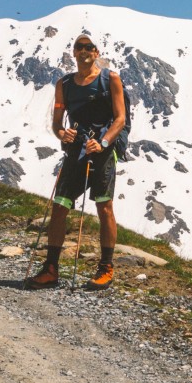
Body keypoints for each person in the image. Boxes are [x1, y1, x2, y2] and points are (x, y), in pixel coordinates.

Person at [26, 34, 126, 291]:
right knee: (59, 207)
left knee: (104, 207)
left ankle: (105, 268)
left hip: (102, 151)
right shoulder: (65, 84)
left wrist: (103, 143)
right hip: (76, 151)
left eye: (89, 47)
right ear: (74, 52)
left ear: (96, 52)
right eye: (79, 47)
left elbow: (120, 119)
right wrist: (62, 134)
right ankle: (51, 269)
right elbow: (58, 123)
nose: (84, 52)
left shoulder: (110, 79)